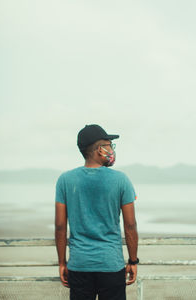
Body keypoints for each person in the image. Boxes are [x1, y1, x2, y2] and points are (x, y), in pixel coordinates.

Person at [55, 124, 139, 300]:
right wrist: (132, 261)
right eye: (109, 145)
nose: (112, 149)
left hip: (79, 265)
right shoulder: (121, 180)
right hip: (111, 265)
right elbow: (130, 225)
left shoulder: (65, 180)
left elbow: (60, 226)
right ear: (98, 149)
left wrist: (62, 263)